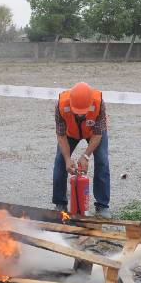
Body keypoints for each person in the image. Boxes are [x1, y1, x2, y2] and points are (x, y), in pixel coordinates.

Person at [52, 82, 111, 218]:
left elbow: (98, 134)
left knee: (102, 160)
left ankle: (102, 206)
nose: (80, 115)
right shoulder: (61, 105)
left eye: (83, 112)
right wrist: (68, 159)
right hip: (70, 133)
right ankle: (60, 203)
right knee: (60, 161)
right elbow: (61, 135)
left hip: (93, 133)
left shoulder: (99, 103)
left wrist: (86, 156)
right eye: (77, 111)